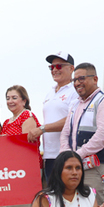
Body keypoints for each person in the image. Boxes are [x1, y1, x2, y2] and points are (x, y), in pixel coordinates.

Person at [60, 62, 104, 206]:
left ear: (95, 79)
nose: (77, 83)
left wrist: (77, 155)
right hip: (77, 165)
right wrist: (66, 155)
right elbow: (65, 133)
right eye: (74, 80)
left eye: (81, 78)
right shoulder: (75, 104)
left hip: (97, 166)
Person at [1, 85, 41, 207]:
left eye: (14, 97)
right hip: (8, 171)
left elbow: (27, 143)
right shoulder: (7, 122)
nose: (10, 101)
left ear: (24, 100)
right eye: (8, 98)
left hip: (23, 171)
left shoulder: (28, 117)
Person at [27, 52, 79, 181]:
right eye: (52, 67)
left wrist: (42, 129)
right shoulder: (49, 92)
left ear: (71, 68)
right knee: (53, 197)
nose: (55, 69)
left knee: (66, 195)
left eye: (59, 66)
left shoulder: (75, 91)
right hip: (49, 154)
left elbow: (72, 119)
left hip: (67, 153)